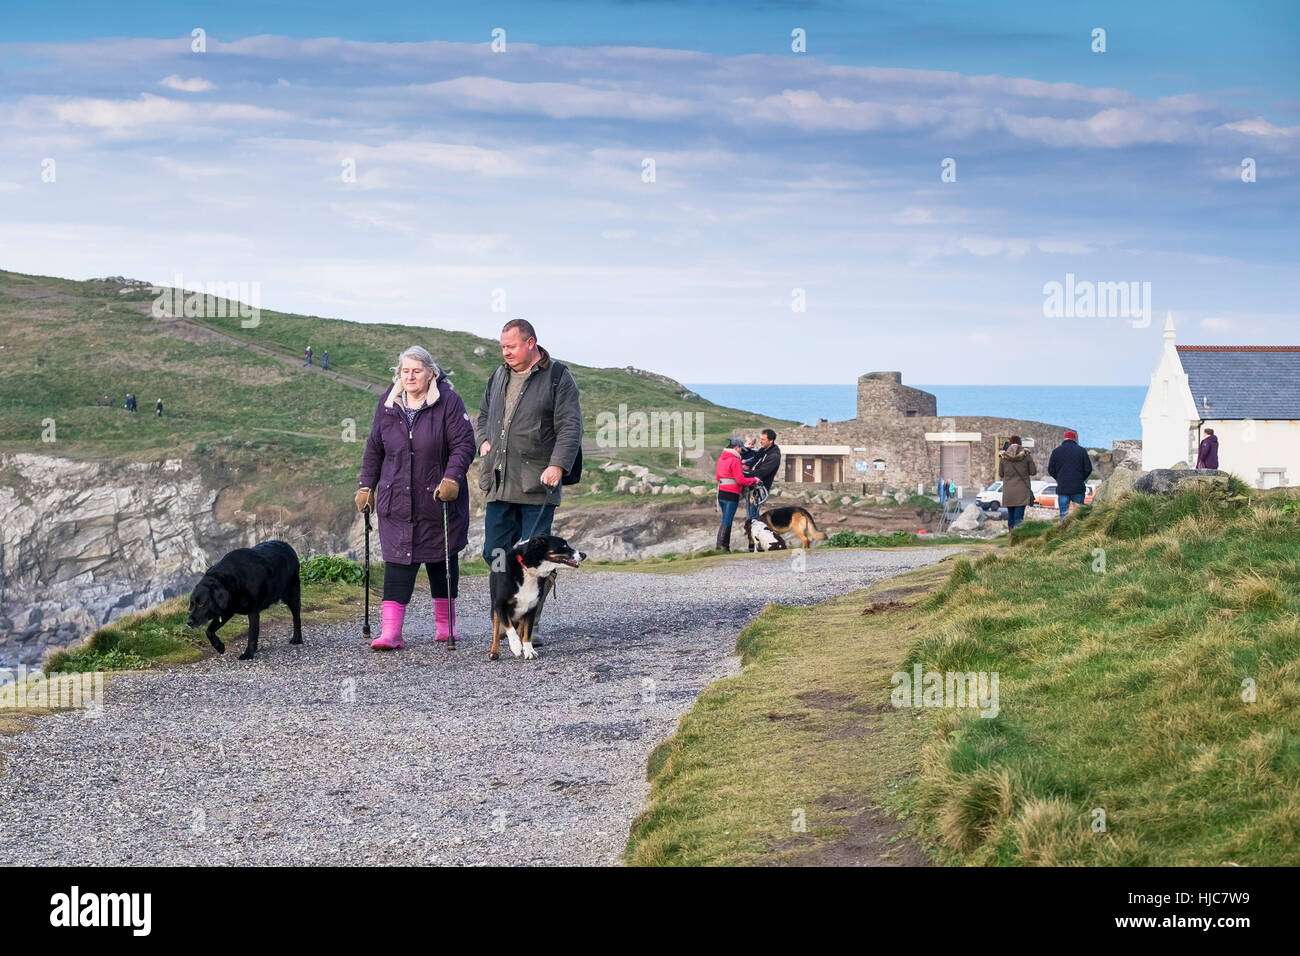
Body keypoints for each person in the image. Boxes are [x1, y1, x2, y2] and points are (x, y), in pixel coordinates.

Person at [356, 346, 476, 650]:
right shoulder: (388, 403)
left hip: (437, 498)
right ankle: (391, 633)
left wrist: (452, 479)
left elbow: (464, 444)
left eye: (416, 370)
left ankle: (444, 627)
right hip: (396, 498)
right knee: (397, 560)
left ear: (430, 373)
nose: (410, 376)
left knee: (441, 558)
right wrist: (366, 486)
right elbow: (374, 448)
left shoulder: (447, 401)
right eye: (404, 371)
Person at [475, 319, 583, 630]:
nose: (505, 352)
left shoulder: (558, 377)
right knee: (494, 552)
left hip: (538, 484)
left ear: (531, 343)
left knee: (536, 561)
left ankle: (528, 625)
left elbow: (570, 426)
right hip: (499, 482)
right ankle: (503, 615)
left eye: (510, 346)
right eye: (502, 347)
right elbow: (483, 415)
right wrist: (483, 441)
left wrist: (558, 465)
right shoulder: (498, 375)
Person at [715, 438, 758, 551]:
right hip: (731, 494)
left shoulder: (721, 459)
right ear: (736, 448)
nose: (741, 452)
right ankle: (723, 547)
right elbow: (740, 480)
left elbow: (717, 477)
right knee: (727, 520)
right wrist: (753, 480)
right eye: (740, 449)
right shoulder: (735, 460)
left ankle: (721, 547)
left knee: (725, 518)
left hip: (721, 493)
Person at [1047, 429, 1093, 519]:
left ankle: (1062, 531)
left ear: (1065, 439)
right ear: (1075, 439)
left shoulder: (1056, 451)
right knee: (1079, 515)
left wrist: (1059, 478)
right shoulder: (1081, 451)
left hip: (1063, 487)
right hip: (1078, 487)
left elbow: (1051, 470)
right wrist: (1081, 478)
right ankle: (1077, 532)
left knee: (1063, 515)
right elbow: (1088, 469)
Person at [743, 428, 782, 527]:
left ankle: (756, 541)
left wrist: (744, 473)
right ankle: (754, 540)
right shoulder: (762, 450)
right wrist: (746, 467)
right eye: (760, 439)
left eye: (763, 439)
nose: (760, 441)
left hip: (759, 490)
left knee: (753, 518)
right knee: (750, 516)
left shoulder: (774, 456)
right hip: (751, 486)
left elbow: (762, 472)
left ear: (771, 441)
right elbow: (753, 464)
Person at [998, 435, 1037, 530]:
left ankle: (1011, 536)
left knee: (1011, 516)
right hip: (1022, 491)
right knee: (1019, 518)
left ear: (1010, 443)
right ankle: (1017, 539)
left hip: (1009, 491)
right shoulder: (1026, 456)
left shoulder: (1003, 458)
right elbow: (1033, 472)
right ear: (1020, 444)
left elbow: (1001, 474)